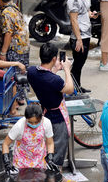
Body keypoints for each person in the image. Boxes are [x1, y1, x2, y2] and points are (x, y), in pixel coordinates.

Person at [27, 42, 74, 171]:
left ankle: (47, 171)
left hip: (45, 112)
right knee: (58, 146)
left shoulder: (31, 72)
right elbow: (69, 89)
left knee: (47, 145)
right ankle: (56, 176)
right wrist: (66, 70)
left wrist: (54, 68)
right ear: (54, 58)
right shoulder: (55, 80)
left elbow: (45, 77)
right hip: (57, 116)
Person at [0, 0, 30, 111]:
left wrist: (3, 52)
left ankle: (15, 101)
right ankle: (20, 97)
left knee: (13, 75)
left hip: (15, 48)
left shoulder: (6, 13)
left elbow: (8, 33)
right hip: (23, 46)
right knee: (21, 71)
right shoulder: (13, 6)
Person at [67, 0, 97, 91]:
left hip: (86, 34)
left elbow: (83, 12)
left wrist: (91, 14)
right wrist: (78, 39)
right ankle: (73, 88)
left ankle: (77, 87)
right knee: (77, 65)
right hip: (79, 37)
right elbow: (73, 20)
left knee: (80, 64)